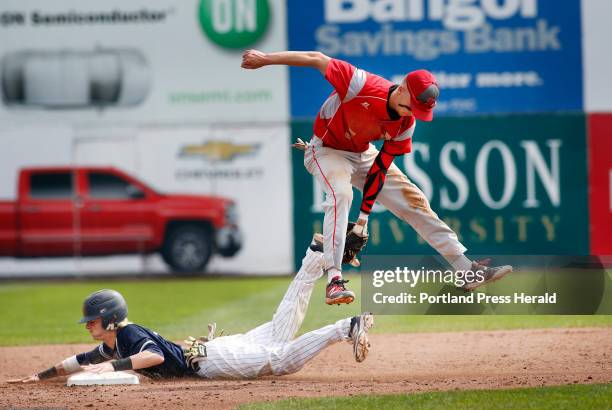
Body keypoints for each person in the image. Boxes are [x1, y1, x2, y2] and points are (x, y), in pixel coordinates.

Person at [241, 50, 512, 304]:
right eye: (413, 107)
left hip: (363, 153)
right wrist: (265, 59)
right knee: (341, 193)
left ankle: (466, 269)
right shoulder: (360, 84)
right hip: (326, 151)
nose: (413, 114)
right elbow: (316, 58)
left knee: (414, 201)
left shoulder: (406, 123)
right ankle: (334, 279)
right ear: (403, 88)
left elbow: (379, 169)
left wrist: (362, 221)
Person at [7, 239, 374, 383]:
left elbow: (150, 357)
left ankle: (346, 327)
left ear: (111, 318)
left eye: (93, 320)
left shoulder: (129, 336)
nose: (89, 326)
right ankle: (314, 258)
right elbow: (78, 360)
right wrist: (40, 377)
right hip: (210, 352)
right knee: (280, 329)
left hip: (210, 361)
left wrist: (113, 366)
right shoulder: (115, 343)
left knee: (281, 360)